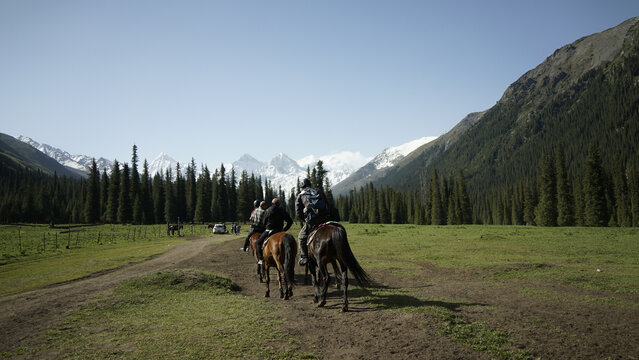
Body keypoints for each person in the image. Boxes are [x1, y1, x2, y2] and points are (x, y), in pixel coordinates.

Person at [296, 178, 330, 265]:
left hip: (312, 221)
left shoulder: (301, 195)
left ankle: (304, 257)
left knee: (301, 237)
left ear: (302, 186)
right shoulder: (318, 191)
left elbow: (298, 212)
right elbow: (327, 203)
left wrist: (304, 220)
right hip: (324, 218)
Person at [256, 197, 293, 265]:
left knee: (258, 242)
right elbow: (290, 221)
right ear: (279, 204)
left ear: (272, 203)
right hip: (280, 230)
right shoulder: (282, 210)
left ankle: (261, 259)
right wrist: (284, 229)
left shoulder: (268, 210)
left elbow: (264, 222)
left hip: (269, 230)